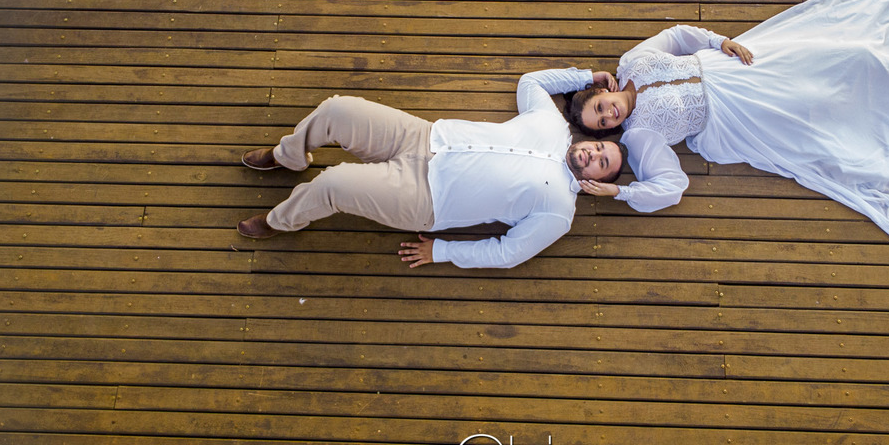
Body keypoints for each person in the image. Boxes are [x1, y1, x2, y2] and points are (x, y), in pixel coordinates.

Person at [562, 0, 889, 240]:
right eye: (600, 124)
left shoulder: (632, 61)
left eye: (599, 107)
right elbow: (671, 186)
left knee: (849, 56)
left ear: (602, 90)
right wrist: (621, 192)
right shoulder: (640, 136)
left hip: (740, 63)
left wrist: (720, 40)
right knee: (828, 104)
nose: (608, 116)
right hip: (737, 112)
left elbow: (677, 36)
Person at [236, 68, 623, 269]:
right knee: (338, 109)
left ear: (595, 183)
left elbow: (509, 252)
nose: (594, 154)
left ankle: (279, 221)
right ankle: (288, 156)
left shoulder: (559, 211)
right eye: (600, 146)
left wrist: (443, 251)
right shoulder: (553, 125)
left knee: (333, 183)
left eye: (602, 163)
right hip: (422, 135)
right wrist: (584, 77)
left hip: (425, 197)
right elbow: (531, 82)